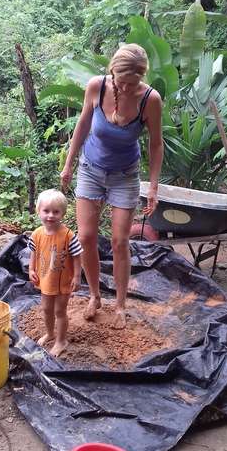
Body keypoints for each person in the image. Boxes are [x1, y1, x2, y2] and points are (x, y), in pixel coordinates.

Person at [60, 43, 163, 328]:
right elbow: (82, 125)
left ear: (142, 77)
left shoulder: (150, 100)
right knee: (87, 237)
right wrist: (68, 164)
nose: (128, 88)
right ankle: (95, 296)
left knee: (119, 241)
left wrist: (153, 186)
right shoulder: (96, 87)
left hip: (125, 175)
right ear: (111, 72)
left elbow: (156, 144)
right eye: (122, 82)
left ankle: (120, 305)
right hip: (91, 170)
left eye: (134, 83)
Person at [28, 189, 83, 356]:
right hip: (45, 279)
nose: (50, 215)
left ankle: (61, 341)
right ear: (38, 211)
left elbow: (76, 256)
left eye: (56, 212)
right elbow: (33, 253)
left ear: (63, 213)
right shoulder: (36, 234)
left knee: (60, 311)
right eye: (46, 211)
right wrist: (31, 269)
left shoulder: (67, 235)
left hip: (63, 281)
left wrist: (77, 276)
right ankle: (50, 333)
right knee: (46, 309)